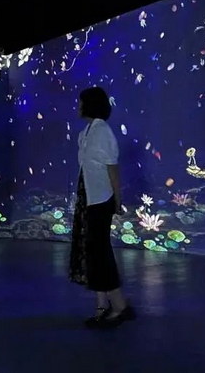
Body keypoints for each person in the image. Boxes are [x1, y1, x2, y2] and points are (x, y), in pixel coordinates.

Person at [69, 86, 135, 328]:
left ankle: (119, 306)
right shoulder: (86, 132)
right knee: (93, 251)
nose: (78, 106)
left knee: (100, 251)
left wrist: (117, 199)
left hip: (101, 199)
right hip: (88, 197)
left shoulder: (102, 132)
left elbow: (112, 168)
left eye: (81, 102)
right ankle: (102, 305)